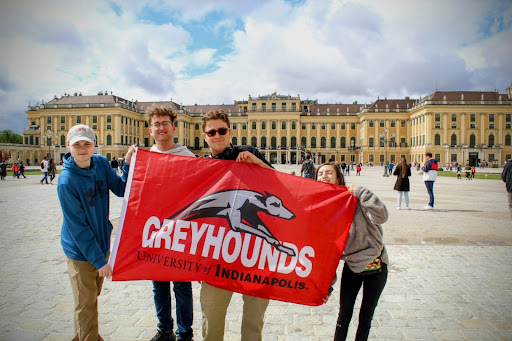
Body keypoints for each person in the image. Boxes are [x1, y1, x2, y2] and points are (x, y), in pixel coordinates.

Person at [201, 109, 273, 341]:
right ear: (205, 136)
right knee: (212, 317)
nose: (217, 135)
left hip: (254, 251)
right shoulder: (199, 167)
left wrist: (256, 162)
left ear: (229, 131)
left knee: (253, 323)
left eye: (222, 130)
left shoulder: (247, 153)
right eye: (211, 132)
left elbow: (278, 185)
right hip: (216, 253)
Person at [58, 124, 133, 341]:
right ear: (68, 146)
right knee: (86, 304)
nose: (82, 149)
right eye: (77, 145)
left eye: (87, 144)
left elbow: (121, 189)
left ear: (94, 145)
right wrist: (99, 261)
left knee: (89, 299)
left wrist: (127, 164)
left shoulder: (100, 162)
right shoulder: (67, 182)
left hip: (100, 243)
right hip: (80, 251)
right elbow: (78, 229)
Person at [128, 105, 195, 341]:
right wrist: (128, 166)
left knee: (182, 286)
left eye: (165, 123)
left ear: (173, 127)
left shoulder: (188, 156)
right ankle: (164, 329)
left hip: (181, 231)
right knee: (159, 284)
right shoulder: (144, 158)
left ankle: (185, 334)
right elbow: (130, 193)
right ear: (150, 130)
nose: (161, 127)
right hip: (155, 230)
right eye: (156, 124)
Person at [316, 163, 389, 341]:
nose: (324, 176)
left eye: (328, 173)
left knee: (366, 318)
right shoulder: (322, 210)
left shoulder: (354, 198)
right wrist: (328, 284)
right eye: (320, 173)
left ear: (338, 178)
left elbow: (382, 216)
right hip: (352, 267)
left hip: (377, 266)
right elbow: (329, 253)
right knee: (343, 316)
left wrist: (361, 191)